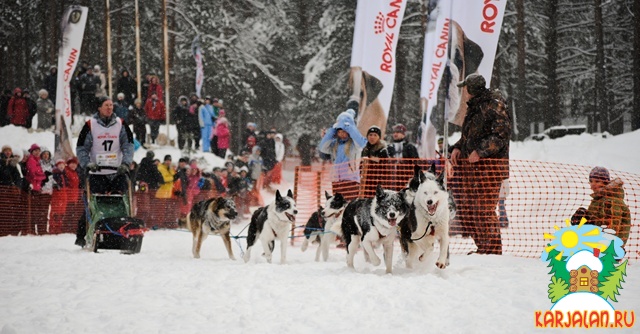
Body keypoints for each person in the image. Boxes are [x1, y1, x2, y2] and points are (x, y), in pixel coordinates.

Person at [449, 74, 510, 255]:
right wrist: (458, 147)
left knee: (484, 209)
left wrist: (481, 151)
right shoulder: (475, 107)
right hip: (472, 169)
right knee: (470, 209)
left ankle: (492, 251)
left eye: (466, 88)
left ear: (472, 89)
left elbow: (501, 135)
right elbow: (469, 136)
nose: (464, 92)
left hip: (490, 168)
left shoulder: (495, 105)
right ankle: (482, 248)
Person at [76, 96, 135, 195]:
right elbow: (81, 147)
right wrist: (86, 163)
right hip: (97, 173)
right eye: (106, 105)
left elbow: (128, 145)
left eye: (111, 105)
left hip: (117, 172)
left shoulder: (121, 124)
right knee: (97, 204)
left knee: (119, 203)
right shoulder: (90, 125)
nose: (109, 108)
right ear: (99, 108)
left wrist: (126, 163)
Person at [571, 167, 631, 246]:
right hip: (597, 245)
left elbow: (611, 228)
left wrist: (589, 224)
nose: (593, 184)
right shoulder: (599, 199)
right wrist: (584, 220)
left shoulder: (611, 201)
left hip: (608, 248)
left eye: (597, 181)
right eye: (591, 181)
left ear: (605, 182)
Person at [319, 108, 367, 201]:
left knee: (350, 206)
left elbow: (362, 143)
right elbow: (322, 147)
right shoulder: (334, 144)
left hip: (351, 179)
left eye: (344, 131)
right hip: (337, 179)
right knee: (338, 206)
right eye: (339, 131)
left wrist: (349, 126)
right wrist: (331, 130)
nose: (342, 134)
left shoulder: (355, 144)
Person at [50, 159, 68, 234]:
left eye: (63, 165)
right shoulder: (55, 174)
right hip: (57, 196)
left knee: (61, 213)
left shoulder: (64, 174)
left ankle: (59, 228)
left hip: (63, 196)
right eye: (60, 165)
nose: (61, 166)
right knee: (55, 212)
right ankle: (53, 228)